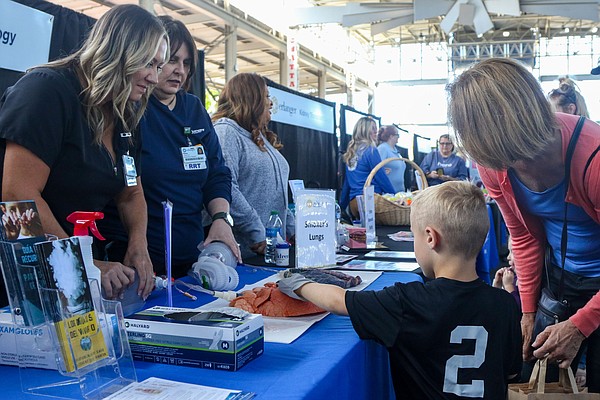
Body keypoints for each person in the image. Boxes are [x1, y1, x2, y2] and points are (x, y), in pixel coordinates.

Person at [279, 181, 522, 399]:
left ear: (430, 238)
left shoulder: (407, 301)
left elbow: (337, 301)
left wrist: (297, 283)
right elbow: (510, 373)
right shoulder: (505, 304)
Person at [447, 57, 600, 392]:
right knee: (536, 367)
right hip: (560, 279)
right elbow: (524, 237)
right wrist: (527, 311)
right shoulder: (494, 163)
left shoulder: (593, 157)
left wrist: (581, 324)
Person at [0, 5, 168, 301]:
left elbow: (130, 192)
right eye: (149, 63)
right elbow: (16, 199)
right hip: (17, 275)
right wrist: (80, 265)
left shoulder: (123, 112)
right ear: (120, 52)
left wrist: (138, 245)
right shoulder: (46, 91)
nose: (155, 78)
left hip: (69, 278)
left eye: (158, 66)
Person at [98, 16, 237, 278]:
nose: (179, 70)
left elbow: (217, 172)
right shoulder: (130, 108)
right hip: (136, 266)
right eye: (172, 60)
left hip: (192, 261)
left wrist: (221, 218)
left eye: (186, 63)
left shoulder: (194, 108)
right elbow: (125, 188)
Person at [212, 73, 294, 259]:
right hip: (245, 254)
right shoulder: (226, 131)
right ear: (251, 98)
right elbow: (227, 187)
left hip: (273, 251)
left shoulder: (259, 137)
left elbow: (277, 197)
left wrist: (293, 229)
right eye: (265, 96)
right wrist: (257, 232)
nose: (270, 103)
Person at [339, 117, 395, 219]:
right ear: (365, 130)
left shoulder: (351, 152)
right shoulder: (371, 150)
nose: (376, 131)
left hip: (354, 203)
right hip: (369, 202)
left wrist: (341, 205)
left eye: (376, 128)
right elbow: (381, 177)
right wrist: (395, 197)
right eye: (373, 128)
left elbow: (348, 182)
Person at [376, 125, 406, 192]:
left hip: (399, 192)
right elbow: (376, 167)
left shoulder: (396, 151)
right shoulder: (383, 148)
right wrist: (383, 171)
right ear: (391, 136)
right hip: (388, 193)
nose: (398, 137)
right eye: (397, 135)